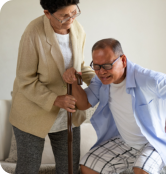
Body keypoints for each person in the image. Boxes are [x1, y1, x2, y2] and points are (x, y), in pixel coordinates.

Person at [63, 38, 166, 174]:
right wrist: (72, 81)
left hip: (155, 142)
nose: (101, 71)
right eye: (96, 66)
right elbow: (84, 103)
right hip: (126, 141)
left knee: (141, 170)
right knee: (88, 166)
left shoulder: (148, 79)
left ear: (123, 60)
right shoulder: (100, 80)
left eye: (107, 65)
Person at [9, 0, 95, 173]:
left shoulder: (77, 28)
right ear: (47, 13)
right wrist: (55, 99)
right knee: (28, 168)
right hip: (33, 111)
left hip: (67, 113)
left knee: (69, 169)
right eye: (64, 16)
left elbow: (80, 65)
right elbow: (26, 79)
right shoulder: (33, 33)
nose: (71, 19)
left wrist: (100, 82)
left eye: (74, 12)